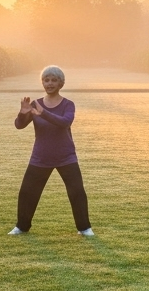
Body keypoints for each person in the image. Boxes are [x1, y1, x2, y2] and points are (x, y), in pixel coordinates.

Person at [9, 65, 93, 237]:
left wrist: (43, 113)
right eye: (46, 80)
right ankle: (21, 227)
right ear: (43, 83)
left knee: (77, 192)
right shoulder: (35, 104)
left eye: (54, 80)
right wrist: (23, 113)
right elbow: (19, 125)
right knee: (27, 193)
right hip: (40, 157)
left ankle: (84, 228)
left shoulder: (68, 104)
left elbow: (65, 122)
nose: (50, 83)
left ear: (61, 83)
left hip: (66, 157)